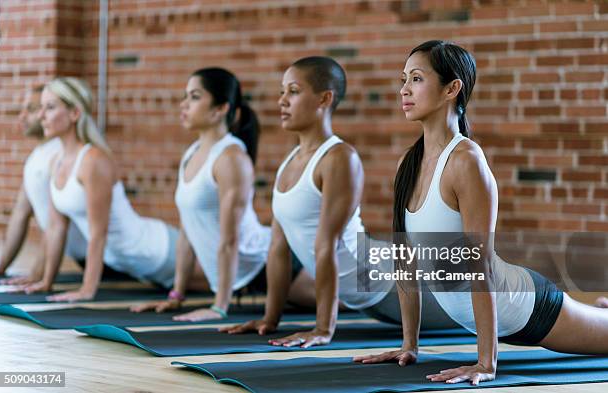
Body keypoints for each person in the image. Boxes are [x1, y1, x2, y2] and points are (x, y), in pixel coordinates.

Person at [353, 40, 608, 385]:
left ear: (452, 88)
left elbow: (480, 264)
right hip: (486, 320)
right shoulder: (408, 164)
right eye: (403, 80)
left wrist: (485, 363)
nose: (404, 90)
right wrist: (409, 345)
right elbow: (405, 259)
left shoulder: (466, 162)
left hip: (523, 308)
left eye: (416, 79)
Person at [221, 56, 455, 347]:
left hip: (392, 283)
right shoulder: (290, 163)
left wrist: (323, 329)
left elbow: (325, 245)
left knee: (508, 308)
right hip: (366, 297)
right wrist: (271, 319)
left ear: (325, 99)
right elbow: (279, 248)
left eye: (293, 91)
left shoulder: (339, 158)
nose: (282, 101)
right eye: (282, 91)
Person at [131, 68, 315, 321]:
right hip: (255, 276)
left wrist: (219, 307)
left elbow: (230, 239)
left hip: (276, 264)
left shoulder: (231, 158)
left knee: (363, 296)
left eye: (194, 97)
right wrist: (176, 296)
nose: (184, 104)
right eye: (185, 96)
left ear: (220, 109)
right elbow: (187, 234)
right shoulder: (192, 153)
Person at [23, 77, 179, 302]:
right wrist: (47, 281)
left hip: (158, 251)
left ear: (75, 113)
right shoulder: (55, 161)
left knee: (239, 284)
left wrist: (87, 289)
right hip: (134, 266)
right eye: (41, 108)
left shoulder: (93, 160)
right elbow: (56, 228)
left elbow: (98, 233)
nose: (41, 116)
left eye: (50, 107)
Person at [0, 86, 87, 283]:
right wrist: (1, 267)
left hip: (111, 261)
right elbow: (20, 214)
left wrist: (37, 275)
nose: (23, 116)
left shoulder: (60, 155)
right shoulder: (37, 157)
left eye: (31, 109)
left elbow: (55, 225)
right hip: (88, 261)